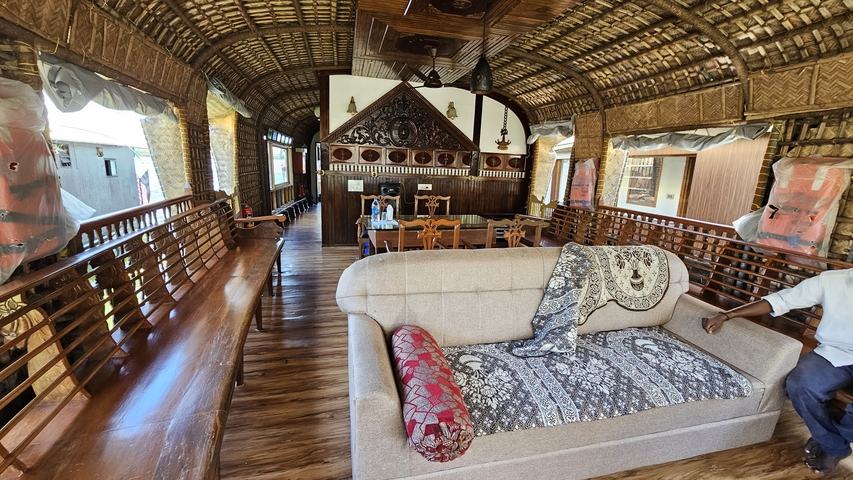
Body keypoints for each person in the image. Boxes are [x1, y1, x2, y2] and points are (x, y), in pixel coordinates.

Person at [702, 268, 853, 476]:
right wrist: (727, 315)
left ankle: (831, 437)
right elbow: (782, 300)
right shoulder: (833, 281)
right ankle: (834, 446)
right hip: (836, 352)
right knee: (799, 384)